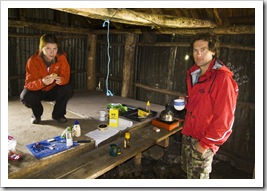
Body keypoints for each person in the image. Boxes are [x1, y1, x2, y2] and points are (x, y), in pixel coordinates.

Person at [180, 33, 239, 179]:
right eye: (195, 50)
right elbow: (204, 101)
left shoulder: (222, 79)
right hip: (188, 134)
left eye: (203, 49)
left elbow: (225, 120)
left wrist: (204, 144)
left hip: (203, 140)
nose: (198, 54)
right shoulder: (195, 73)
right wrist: (187, 101)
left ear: (213, 51)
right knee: (188, 174)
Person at [20, 34, 73, 124]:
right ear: (41, 48)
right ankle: (36, 114)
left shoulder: (61, 58)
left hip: (53, 89)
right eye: (48, 48)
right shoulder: (33, 61)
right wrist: (42, 82)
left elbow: (66, 76)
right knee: (26, 96)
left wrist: (62, 80)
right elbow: (28, 84)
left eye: (54, 49)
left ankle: (58, 115)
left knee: (68, 89)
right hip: (38, 91)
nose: (52, 52)